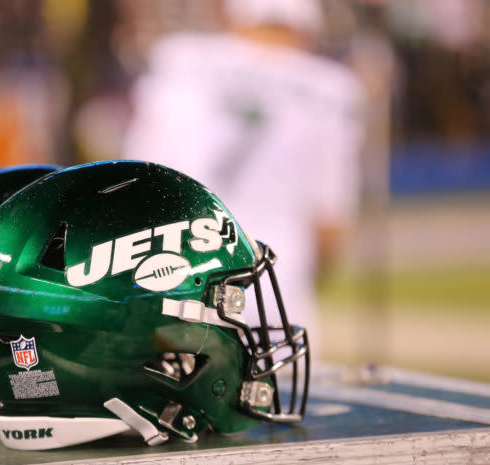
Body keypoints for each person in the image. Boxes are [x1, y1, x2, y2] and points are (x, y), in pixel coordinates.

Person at [123, 0, 367, 353]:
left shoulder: (179, 61)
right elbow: (329, 224)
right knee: (278, 395)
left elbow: (139, 184)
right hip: (279, 283)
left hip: (180, 273)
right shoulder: (331, 89)